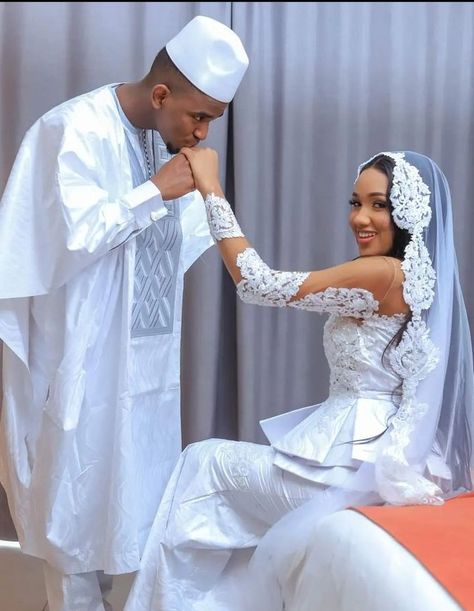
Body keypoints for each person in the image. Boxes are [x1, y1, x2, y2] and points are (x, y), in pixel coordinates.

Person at [124, 148, 473, 610]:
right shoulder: (409, 278)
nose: (360, 218)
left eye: (379, 204)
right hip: (363, 460)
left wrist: (211, 188)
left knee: (200, 464)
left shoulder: (383, 273)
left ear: (408, 214)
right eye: (355, 202)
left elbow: (256, 284)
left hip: (348, 473)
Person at [0, 15, 248, 611]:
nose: (203, 131)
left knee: (131, 515)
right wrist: (153, 191)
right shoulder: (71, 130)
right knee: (72, 521)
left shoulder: (165, 143)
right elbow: (64, 240)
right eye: (199, 116)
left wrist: (200, 196)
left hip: (148, 365)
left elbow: (176, 247)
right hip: (80, 361)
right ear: (162, 94)